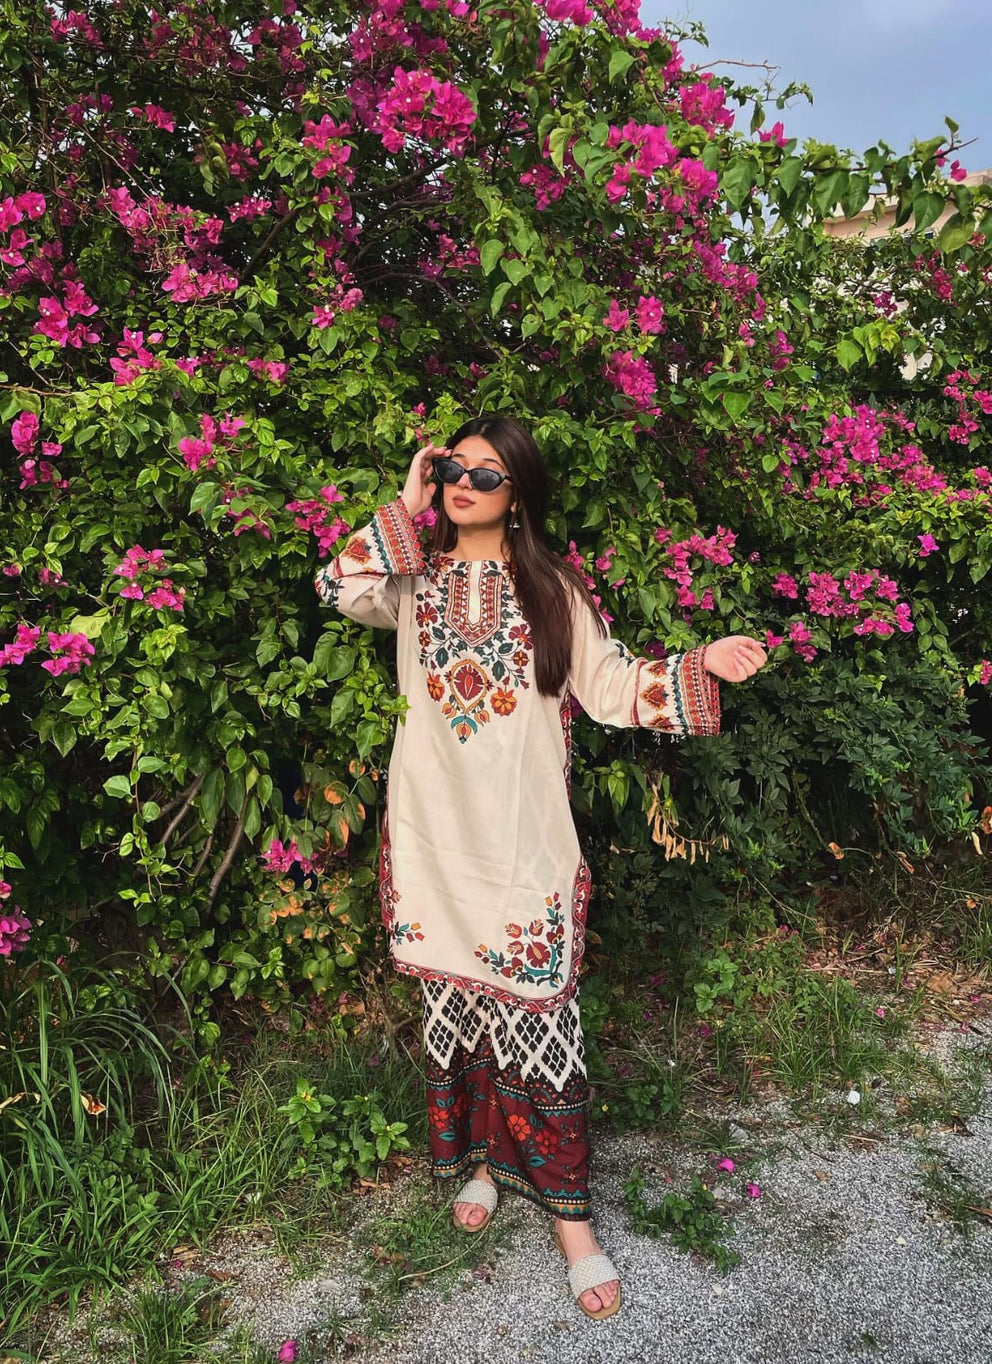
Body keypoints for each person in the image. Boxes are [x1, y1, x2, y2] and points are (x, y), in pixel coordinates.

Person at [315, 415, 766, 1319]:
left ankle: (572, 1224)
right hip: (439, 846)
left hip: (522, 849)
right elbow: (337, 586)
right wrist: (403, 505)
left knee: (540, 1028)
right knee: (467, 1012)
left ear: (517, 492)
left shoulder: (551, 588)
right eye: (451, 468)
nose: (464, 483)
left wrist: (700, 663)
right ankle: (484, 1162)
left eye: (486, 473)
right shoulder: (411, 581)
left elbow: (609, 689)